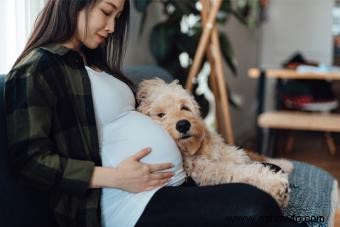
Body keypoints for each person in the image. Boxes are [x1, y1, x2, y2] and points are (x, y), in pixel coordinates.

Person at [5, 0, 307, 226]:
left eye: (117, 17)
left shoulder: (90, 62)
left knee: (270, 186)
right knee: (254, 207)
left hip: (172, 184)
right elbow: (30, 162)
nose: (111, 27)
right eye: (107, 12)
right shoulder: (37, 68)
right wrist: (115, 177)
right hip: (127, 203)